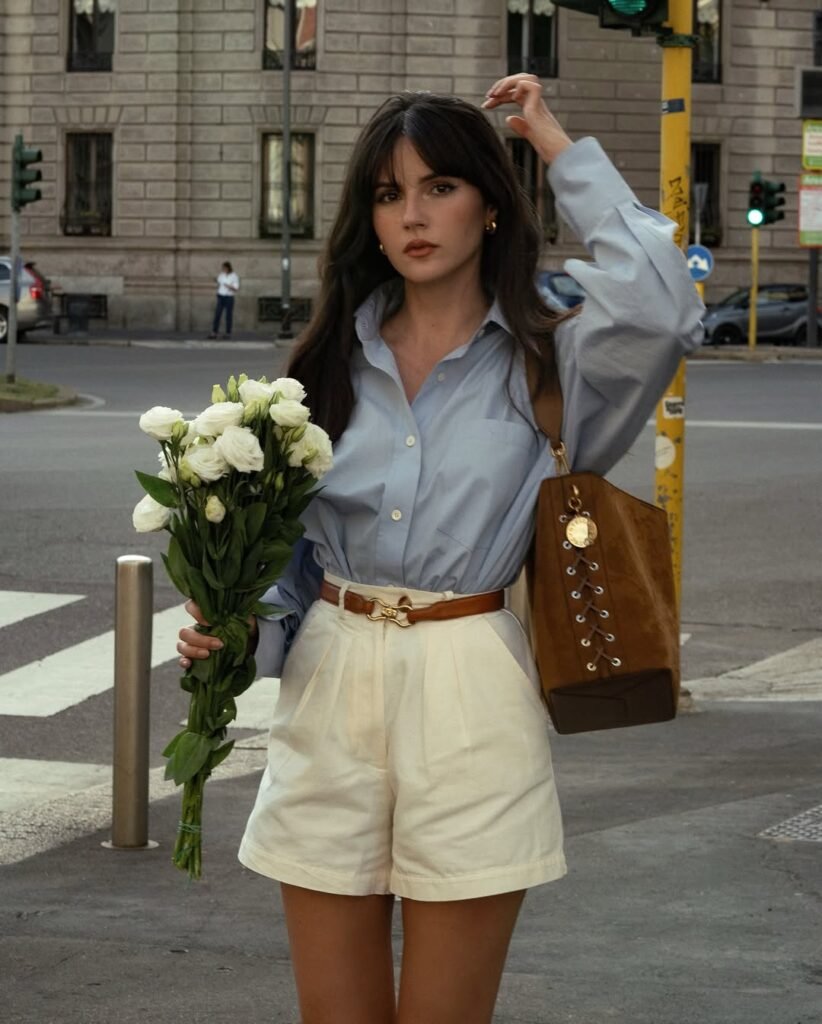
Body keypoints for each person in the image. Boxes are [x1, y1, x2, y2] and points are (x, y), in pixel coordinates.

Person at [177, 74, 704, 1024]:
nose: (413, 215)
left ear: (490, 207)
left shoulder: (556, 366)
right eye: (389, 195)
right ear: (368, 222)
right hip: (332, 681)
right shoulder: (323, 365)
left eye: (440, 188)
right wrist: (231, 623)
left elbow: (665, 310)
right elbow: (288, 559)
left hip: (473, 687)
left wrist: (553, 143)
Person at [208, 261, 239, 339]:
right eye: (223, 268)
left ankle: (228, 333)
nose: (223, 269)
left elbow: (236, 288)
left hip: (229, 297)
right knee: (217, 314)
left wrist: (228, 286)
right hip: (221, 296)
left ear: (228, 268)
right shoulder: (221, 275)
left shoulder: (234, 276)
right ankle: (214, 332)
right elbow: (218, 281)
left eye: (225, 268)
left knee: (228, 316)